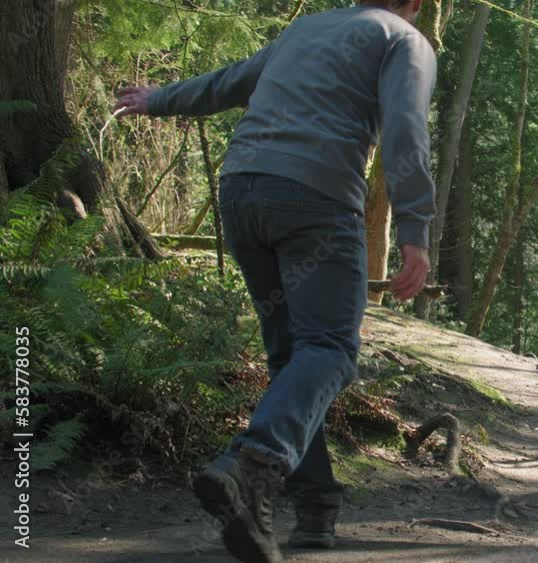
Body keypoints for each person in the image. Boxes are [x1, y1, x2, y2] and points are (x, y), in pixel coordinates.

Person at [114, 1, 436, 561]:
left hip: (242, 191)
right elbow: (406, 130)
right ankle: (253, 463)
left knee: (293, 359)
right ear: (416, 3)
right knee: (330, 347)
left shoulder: (308, 28)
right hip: (316, 199)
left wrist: (158, 99)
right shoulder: (404, 40)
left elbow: (228, 82)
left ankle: (312, 509)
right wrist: (415, 229)